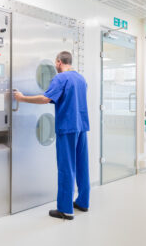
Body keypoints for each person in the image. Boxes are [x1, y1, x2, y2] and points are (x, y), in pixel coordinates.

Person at [14, 51, 90, 220]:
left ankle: (65, 209)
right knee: (81, 165)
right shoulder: (81, 79)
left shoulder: (60, 78)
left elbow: (45, 99)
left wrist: (22, 97)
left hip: (67, 127)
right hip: (81, 127)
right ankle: (83, 202)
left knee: (66, 167)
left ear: (58, 62)